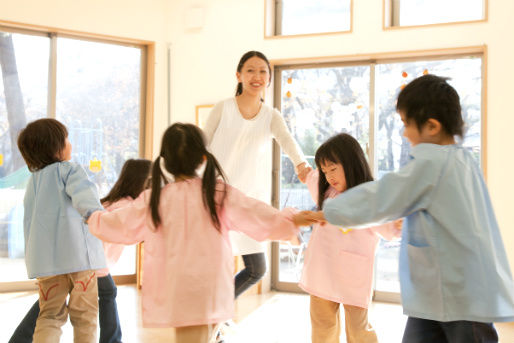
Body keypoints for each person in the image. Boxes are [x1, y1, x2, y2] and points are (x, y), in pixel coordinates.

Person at [296, 75, 514, 343]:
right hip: (435, 293)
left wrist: (326, 212)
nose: (404, 133)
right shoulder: (461, 161)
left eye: (406, 124)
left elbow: (381, 197)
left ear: (432, 126)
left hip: (460, 294)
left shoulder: (432, 165)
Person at [87, 123, 304, 343]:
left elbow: (117, 224)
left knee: (198, 335)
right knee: (202, 335)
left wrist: (90, 217)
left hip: (176, 286)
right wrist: (289, 223)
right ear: (203, 158)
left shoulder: (155, 199)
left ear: (166, 162)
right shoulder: (217, 194)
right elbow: (257, 215)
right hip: (209, 286)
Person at [203, 50, 310, 300]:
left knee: (256, 269)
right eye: (250, 70)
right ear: (239, 75)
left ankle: (216, 310)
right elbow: (201, 142)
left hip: (249, 204)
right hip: (216, 199)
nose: (257, 76)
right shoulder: (223, 108)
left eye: (263, 71)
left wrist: (301, 163)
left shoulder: (271, 115)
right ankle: (211, 324)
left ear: (269, 79)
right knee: (216, 266)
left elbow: (287, 140)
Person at [8, 158, 152, 343]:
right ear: (141, 182)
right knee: (102, 295)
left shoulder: (114, 202)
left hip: (83, 260)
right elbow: (125, 230)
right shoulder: (125, 205)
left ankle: (20, 338)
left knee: (52, 302)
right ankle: (112, 340)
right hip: (91, 263)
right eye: (151, 182)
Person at [299, 133, 401, 343]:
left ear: (352, 163)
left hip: (353, 276)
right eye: (325, 171)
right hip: (321, 272)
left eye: (333, 169)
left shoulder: (371, 196)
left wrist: (397, 224)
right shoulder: (326, 191)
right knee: (322, 328)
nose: (329, 177)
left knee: (358, 330)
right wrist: (306, 172)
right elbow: (312, 176)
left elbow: (388, 224)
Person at [16, 118, 106, 343]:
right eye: (67, 139)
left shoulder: (33, 182)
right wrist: (98, 217)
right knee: (85, 315)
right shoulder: (70, 170)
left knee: (49, 316)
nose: (70, 144)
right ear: (57, 147)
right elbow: (86, 199)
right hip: (79, 258)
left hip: (46, 263)